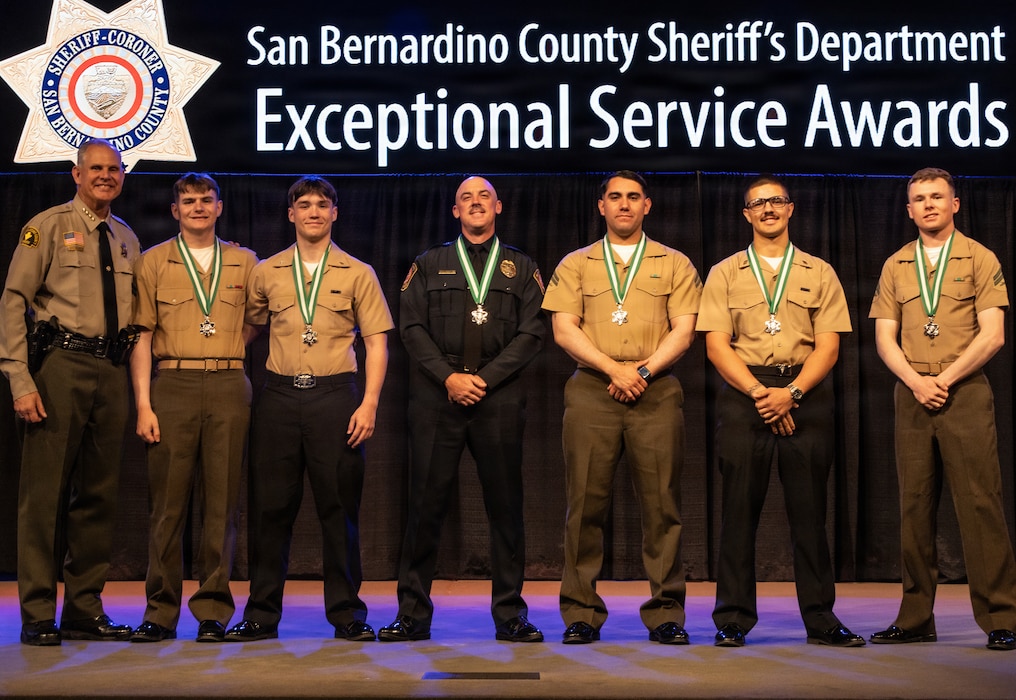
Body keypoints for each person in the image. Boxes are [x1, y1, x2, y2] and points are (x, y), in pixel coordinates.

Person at [696, 174, 864, 648]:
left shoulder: (819, 271)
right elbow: (715, 344)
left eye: (776, 201)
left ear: (791, 209)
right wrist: (760, 394)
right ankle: (731, 619)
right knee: (737, 515)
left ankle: (821, 620)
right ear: (745, 215)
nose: (768, 209)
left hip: (805, 393)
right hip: (745, 391)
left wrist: (790, 394)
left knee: (810, 515)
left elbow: (828, 347)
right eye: (757, 204)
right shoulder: (725, 272)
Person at [224, 176, 393, 642]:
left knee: (339, 511)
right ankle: (260, 615)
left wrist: (370, 402)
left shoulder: (359, 273)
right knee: (270, 510)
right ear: (291, 214)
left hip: (335, 397)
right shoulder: (267, 271)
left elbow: (377, 343)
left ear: (334, 213)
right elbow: (250, 328)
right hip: (278, 397)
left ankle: (347, 615)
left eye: (322, 204)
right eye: (304, 204)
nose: (314, 211)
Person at [379, 176, 546, 643]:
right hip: (439, 395)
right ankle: (411, 615)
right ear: (455, 211)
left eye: (484, 197)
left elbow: (533, 334)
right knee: (424, 508)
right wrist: (450, 378)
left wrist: (485, 380)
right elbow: (411, 328)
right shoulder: (429, 263)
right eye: (466, 198)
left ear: (499, 207)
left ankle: (511, 615)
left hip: (499, 396)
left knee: (506, 510)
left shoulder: (521, 266)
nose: (476, 204)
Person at [541, 170, 700, 645]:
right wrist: (614, 369)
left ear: (647, 205)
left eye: (633, 197)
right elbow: (564, 329)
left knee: (662, 507)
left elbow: (685, 329)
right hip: (593, 390)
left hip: (657, 389)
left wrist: (643, 372)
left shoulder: (674, 263)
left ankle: (666, 613)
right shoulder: (576, 263)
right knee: (584, 506)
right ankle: (581, 613)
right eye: (615, 197)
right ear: (602, 207)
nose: (625, 204)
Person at [868, 167, 1016, 651]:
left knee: (980, 504)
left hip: (965, 390)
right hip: (911, 394)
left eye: (937, 196)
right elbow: (884, 337)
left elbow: (992, 333)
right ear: (908, 210)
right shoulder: (895, 265)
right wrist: (916, 381)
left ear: (955, 204)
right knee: (913, 508)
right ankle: (914, 618)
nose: (928, 204)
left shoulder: (979, 257)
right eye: (919, 198)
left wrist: (944, 380)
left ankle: (1001, 617)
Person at [0, 138, 140, 646]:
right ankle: (38, 613)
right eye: (96, 168)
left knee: (99, 496)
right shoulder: (47, 227)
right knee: (44, 497)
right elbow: (14, 300)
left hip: (110, 370)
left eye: (114, 168)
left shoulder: (125, 236)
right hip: (58, 365)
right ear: (76, 174)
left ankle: (84, 609)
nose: (105, 175)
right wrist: (20, 378)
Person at [127, 173, 258, 643]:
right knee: (167, 507)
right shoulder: (152, 262)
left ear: (219, 207)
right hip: (173, 385)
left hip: (227, 383)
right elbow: (140, 335)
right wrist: (143, 403)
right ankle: (159, 612)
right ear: (175, 210)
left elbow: (256, 322)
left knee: (222, 505)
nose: (198, 207)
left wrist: (222, 350)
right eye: (189, 201)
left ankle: (213, 611)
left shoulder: (246, 262)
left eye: (206, 200)